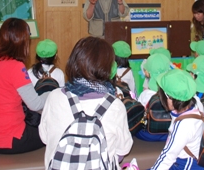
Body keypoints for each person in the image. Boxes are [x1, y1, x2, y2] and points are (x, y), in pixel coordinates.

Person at [39, 36, 133, 169]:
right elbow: (123, 150)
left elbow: (44, 137)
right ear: (108, 67)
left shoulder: (54, 97)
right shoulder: (115, 105)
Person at [0, 18, 48, 154]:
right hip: (9, 139)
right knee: (54, 129)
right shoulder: (15, 66)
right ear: (23, 42)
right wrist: (54, 94)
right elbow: (35, 105)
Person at [151, 69, 204, 170]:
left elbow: (168, 157)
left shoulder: (183, 125)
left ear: (169, 98)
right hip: (194, 158)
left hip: (186, 164)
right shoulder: (195, 103)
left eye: (161, 94)